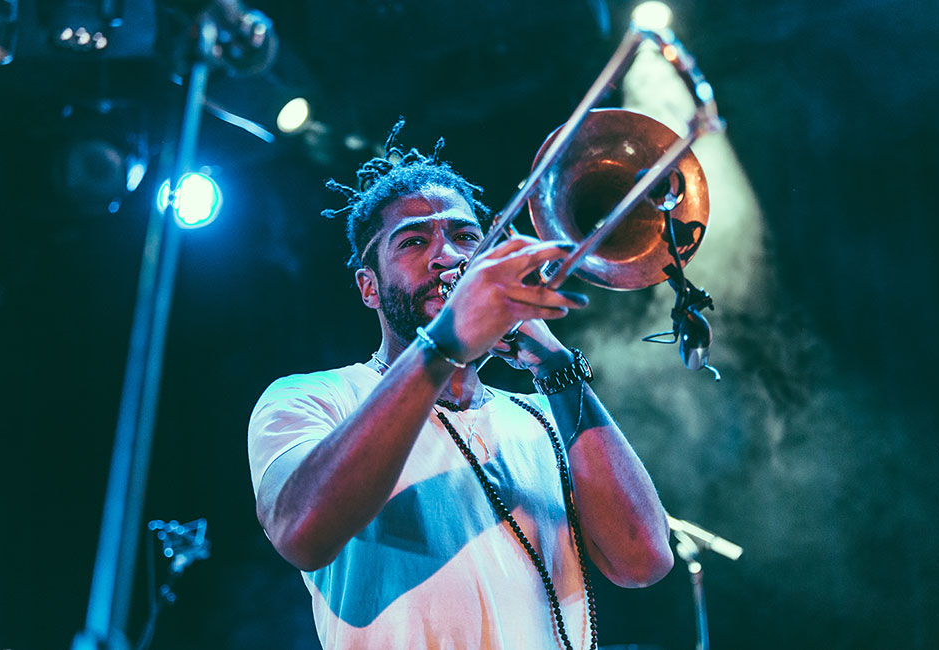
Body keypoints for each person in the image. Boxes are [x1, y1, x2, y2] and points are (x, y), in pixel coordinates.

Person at [248, 119, 673, 650]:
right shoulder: (313, 397)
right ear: (368, 287)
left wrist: (557, 368)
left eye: (466, 236)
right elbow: (299, 533)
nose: (447, 256)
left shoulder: (542, 415)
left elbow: (644, 558)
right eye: (413, 241)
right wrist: (446, 341)